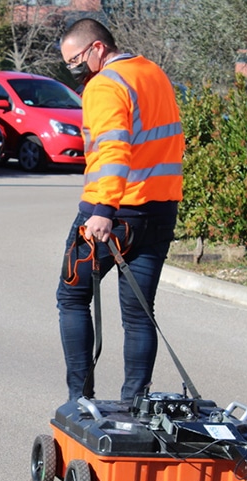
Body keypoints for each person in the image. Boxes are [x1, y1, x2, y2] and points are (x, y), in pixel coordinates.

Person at [57, 18, 185, 403]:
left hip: (114, 211)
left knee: (72, 298)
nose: (74, 69)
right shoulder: (153, 74)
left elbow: (114, 149)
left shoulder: (105, 85)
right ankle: (133, 404)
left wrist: (103, 209)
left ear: (97, 49)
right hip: (160, 210)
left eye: (75, 60)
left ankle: (79, 401)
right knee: (139, 313)